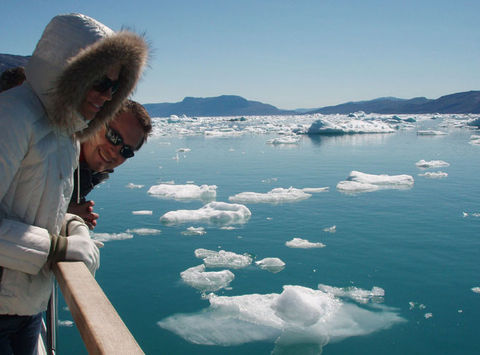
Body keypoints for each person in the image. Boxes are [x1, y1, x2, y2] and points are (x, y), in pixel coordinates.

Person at [0, 13, 148, 354]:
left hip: (26, 306)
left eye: (114, 87)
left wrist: (72, 224)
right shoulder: (12, 118)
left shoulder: (66, 135)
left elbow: (32, 209)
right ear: (66, 72)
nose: (106, 95)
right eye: (99, 82)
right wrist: (57, 248)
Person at [68, 100, 152, 229]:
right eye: (113, 136)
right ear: (96, 122)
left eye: (126, 151)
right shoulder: (53, 148)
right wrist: (64, 215)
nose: (114, 153)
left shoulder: (86, 172)